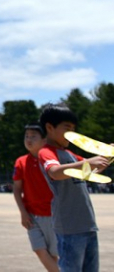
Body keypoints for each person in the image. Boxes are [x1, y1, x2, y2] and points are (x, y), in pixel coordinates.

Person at [38, 104, 110, 272]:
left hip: (87, 224)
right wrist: (87, 162)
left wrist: (107, 154)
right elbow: (55, 172)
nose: (72, 134)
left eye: (74, 129)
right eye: (67, 128)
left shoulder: (70, 154)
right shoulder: (47, 152)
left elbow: (94, 168)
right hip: (69, 227)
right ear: (50, 127)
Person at [13, 125, 58, 272]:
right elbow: (17, 189)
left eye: (33, 136)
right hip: (32, 215)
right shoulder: (21, 161)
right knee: (39, 249)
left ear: (44, 140)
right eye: (26, 136)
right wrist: (23, 212)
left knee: (54, 254)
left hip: (53, 214)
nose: (29, 139)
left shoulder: (51, 159)